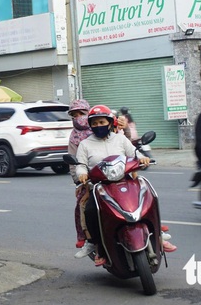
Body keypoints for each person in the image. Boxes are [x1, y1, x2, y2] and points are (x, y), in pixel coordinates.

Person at [74, 105, 175, 265]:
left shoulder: (120, 139)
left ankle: (158, 235)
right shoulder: (85, 144)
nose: (98, 126)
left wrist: (142, 158)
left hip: (125, 180)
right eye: (95, 123)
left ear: (109, 122)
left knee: (149, 198)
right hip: (100, 186)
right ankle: (96, 245)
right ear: (90, 126)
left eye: (102, 122)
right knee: (90, 210)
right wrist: (82, 173)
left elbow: (134, 153)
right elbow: (80, 164)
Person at [66, 99, 92, 250]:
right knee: (82, 204)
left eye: (81, 113)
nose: (78, 118)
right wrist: (78, 180)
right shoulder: (74, 136)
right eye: (74, 115)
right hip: (87, 176)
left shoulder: (100, 125)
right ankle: (87, 238)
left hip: (112, 171)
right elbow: (73, 161)